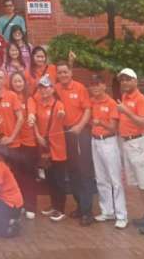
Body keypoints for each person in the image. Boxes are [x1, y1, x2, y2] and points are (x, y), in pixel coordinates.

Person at [117, 68, 144, 236]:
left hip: (139, 144)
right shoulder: (125, 97)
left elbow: (143, 123)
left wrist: (125, 111)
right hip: (129, 143)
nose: (124, 82)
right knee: (140, 184)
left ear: (135, 81)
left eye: (128, 79)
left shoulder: (141, 99)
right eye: (122, 80)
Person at [54, 61, 95, 225]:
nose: (63, 75)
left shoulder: (79, 88)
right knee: (72, 171)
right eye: (60, 72)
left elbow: (87, 109)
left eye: (65, 72)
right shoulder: (55, 88)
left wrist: (80, 126)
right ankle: (80, 206)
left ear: (71, 73)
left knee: (83, 171)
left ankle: (87, 211)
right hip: (65, 134)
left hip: (79, 133)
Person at [88, 74, 128, 228]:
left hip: (109, 142)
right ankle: (107, 211)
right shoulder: (91, 101)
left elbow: (113, 127)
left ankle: (121, 215)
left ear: (104, 85)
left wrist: (100, 123)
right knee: (101, 179)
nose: (95, 87)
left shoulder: (111, 103)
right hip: (95, 141)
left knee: (115, 180)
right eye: (92, 84)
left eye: (98, 84)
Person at [34, 75, 67, 222]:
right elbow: (34, 121)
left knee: (59, 180)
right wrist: (38, 137)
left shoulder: (58, 104)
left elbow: (62, 115)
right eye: (41, 88)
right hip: (45, 148)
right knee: (50, 179)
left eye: (46, 87)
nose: (43, 90)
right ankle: (54, 205)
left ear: (52, 89)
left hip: (57, 149)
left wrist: (61, 115)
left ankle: (61, 209)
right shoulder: (38, 104)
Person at [8, 72, 38, 219]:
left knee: (29, 177)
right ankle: (18, 206)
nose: (18, 84)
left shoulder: (29, 99)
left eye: (20, 81)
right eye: (15, 81)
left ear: (24, 83)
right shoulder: (8, 97)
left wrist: (31, 117)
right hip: (14, 144)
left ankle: (30, 206)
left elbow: (32, 112)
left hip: (28, 143)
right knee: (16, 177)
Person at [0, 68, 24, 153]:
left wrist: (12, 138)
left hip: (12, 143)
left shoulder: (12, 95)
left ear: (5, 80)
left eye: (0, 78)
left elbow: (20, 118)